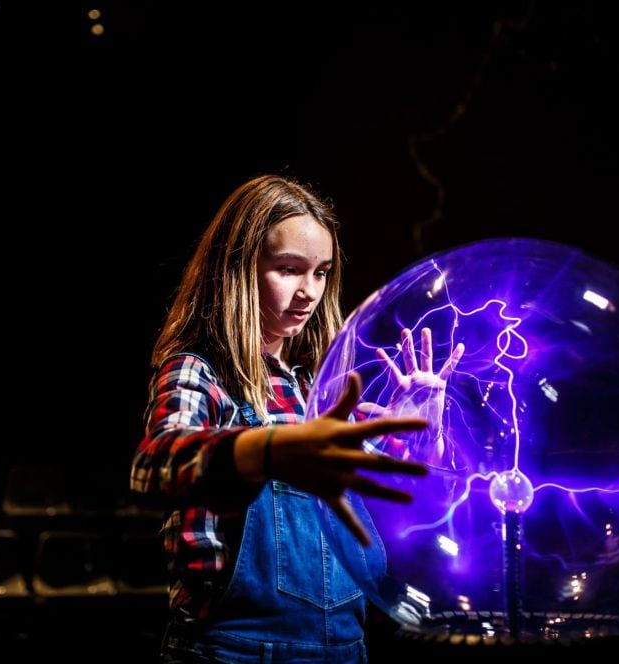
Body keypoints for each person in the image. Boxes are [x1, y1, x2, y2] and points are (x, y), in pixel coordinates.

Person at [131, 174, 459, 663]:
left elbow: (392, 519)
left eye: (322, 272)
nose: (310, 292)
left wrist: (413, 445)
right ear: (237, 270)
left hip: (345, 647)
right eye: (289, 269)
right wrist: (267, 450)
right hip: (231, 649)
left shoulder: (317, 389)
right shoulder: (200, 371)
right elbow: (154, 466)